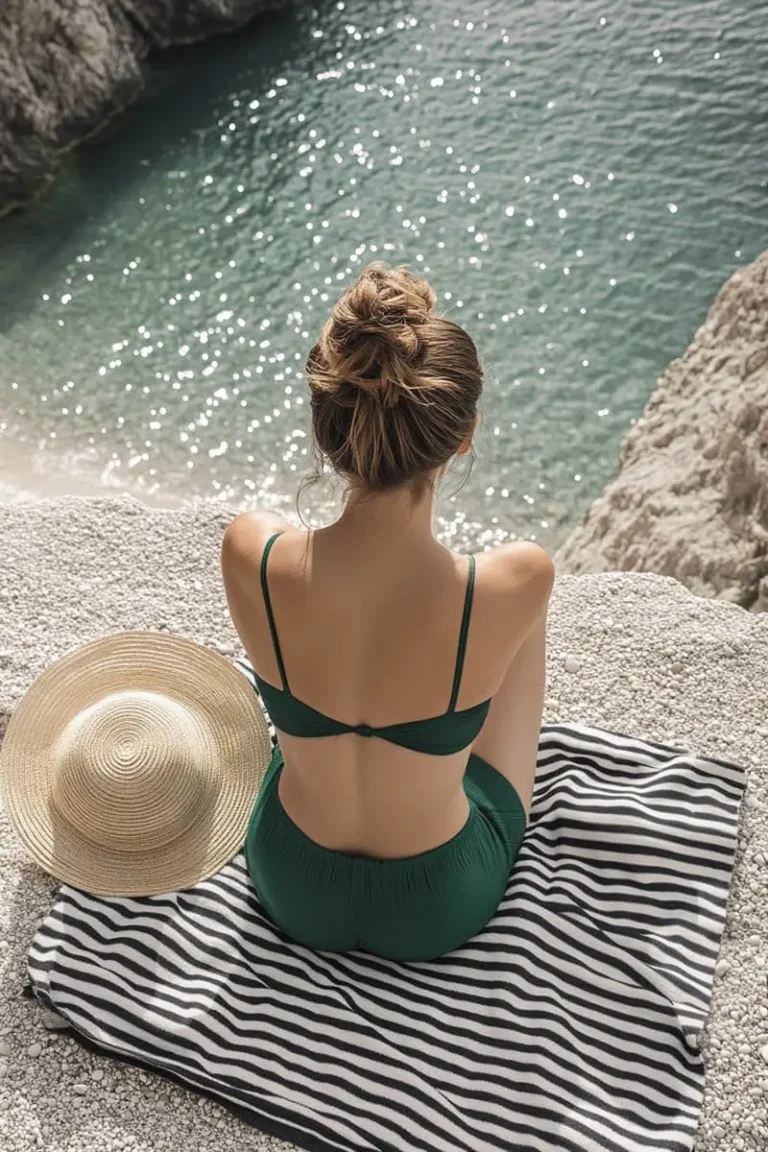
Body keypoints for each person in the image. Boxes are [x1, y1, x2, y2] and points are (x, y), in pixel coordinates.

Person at [220, 261, 554, 962]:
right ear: (464, 435)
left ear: (325, 428)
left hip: (291, 883)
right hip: (437, 905)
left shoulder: (250, 549)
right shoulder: (514, 579)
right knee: (512, 618)